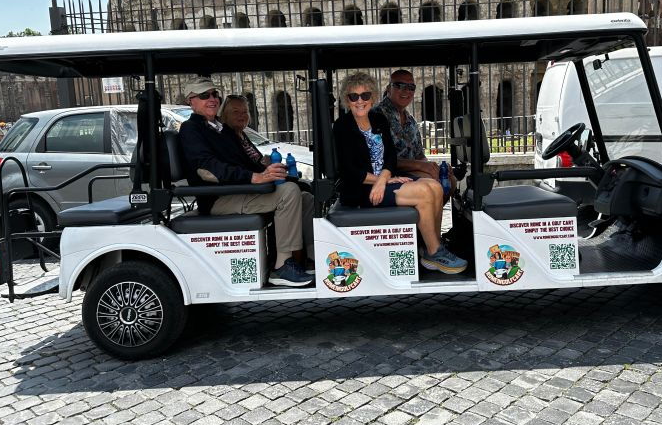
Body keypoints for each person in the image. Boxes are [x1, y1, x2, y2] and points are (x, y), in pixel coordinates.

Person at [178, 77, 313, 288]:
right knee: (288, 193)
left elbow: (246, 162)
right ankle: (282, 266)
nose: (212, 99)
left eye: (215, 94)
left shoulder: (220, 128)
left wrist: (269, 171)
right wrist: (255, 177)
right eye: (204, 95)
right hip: (220, 198)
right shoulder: (191, 129)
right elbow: (207, 170)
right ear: (191, 101)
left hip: (238, 190)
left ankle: (310, 258)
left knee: (304, 196)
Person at [333, 71, 467, 274]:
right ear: (347, 99)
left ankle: (432, 246)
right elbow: (348, 170)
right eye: (354, 96)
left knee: (435, 186)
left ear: (372, 96)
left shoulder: (378, 119)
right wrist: (380, 181)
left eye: (365, 95)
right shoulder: (342, 126)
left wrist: (385, 179)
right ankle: (434, 252)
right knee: (424, 192)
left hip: (383, 182)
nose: (360, 101)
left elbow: (390, 158)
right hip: (362, 189)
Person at [218, 93, 315, 265]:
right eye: (235, 112)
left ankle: (311, 254)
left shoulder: (242, 135)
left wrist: (268, 165)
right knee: (290, 191)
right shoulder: (226, 137)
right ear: (225, 115)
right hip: (241, 191)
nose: (241, 115)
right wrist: (263, 171)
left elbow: (256, 164)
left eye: (245, 112)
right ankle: (284, 262)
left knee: (306, 196)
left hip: (254, 188)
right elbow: (241, 169)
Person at [375, 69, 456, 190]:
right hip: (387, 175)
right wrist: (419, 165)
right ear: (388, 88)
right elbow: (379, 160)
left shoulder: (411, 120)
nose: (407, 91)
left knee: (449, 180)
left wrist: (433, 167)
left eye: (411, 87)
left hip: (411, 171)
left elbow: (419, 155)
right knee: (430, 182)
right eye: (400, 85)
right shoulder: (377, 116)